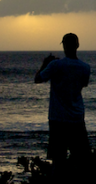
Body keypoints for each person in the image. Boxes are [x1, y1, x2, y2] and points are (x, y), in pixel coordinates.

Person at [34, 33, 91, 167]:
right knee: (81, 157)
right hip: (77, 117)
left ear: (64, 46)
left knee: (58, 159)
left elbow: (38, 79)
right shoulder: (85, 67)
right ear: (77, 45)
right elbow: (83, 85)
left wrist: (44, 64)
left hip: (57, 119)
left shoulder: (55, 65)